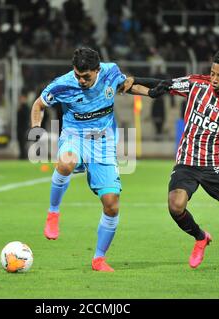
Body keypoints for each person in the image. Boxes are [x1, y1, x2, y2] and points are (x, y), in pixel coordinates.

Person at [125, 49, 219, 274]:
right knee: (175, 206)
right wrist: (134, 80)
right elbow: (164, 84)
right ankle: (200, 237)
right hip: (187, 160)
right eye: (213, 73)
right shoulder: (196, 84)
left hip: (216, 163)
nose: (214, 79)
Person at [29, 47, 143, 272]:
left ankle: (99, 259)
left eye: (86, 77)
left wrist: (152, 90)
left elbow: (126, 86)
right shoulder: (62, 84)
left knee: (111, 205)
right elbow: (38, 105)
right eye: (77, 75)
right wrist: (36, 129)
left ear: (97, 70)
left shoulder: (111, 72)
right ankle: (53, 212)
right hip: (75, 136)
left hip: (104, 143)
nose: (81, 80)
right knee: (66, 162)